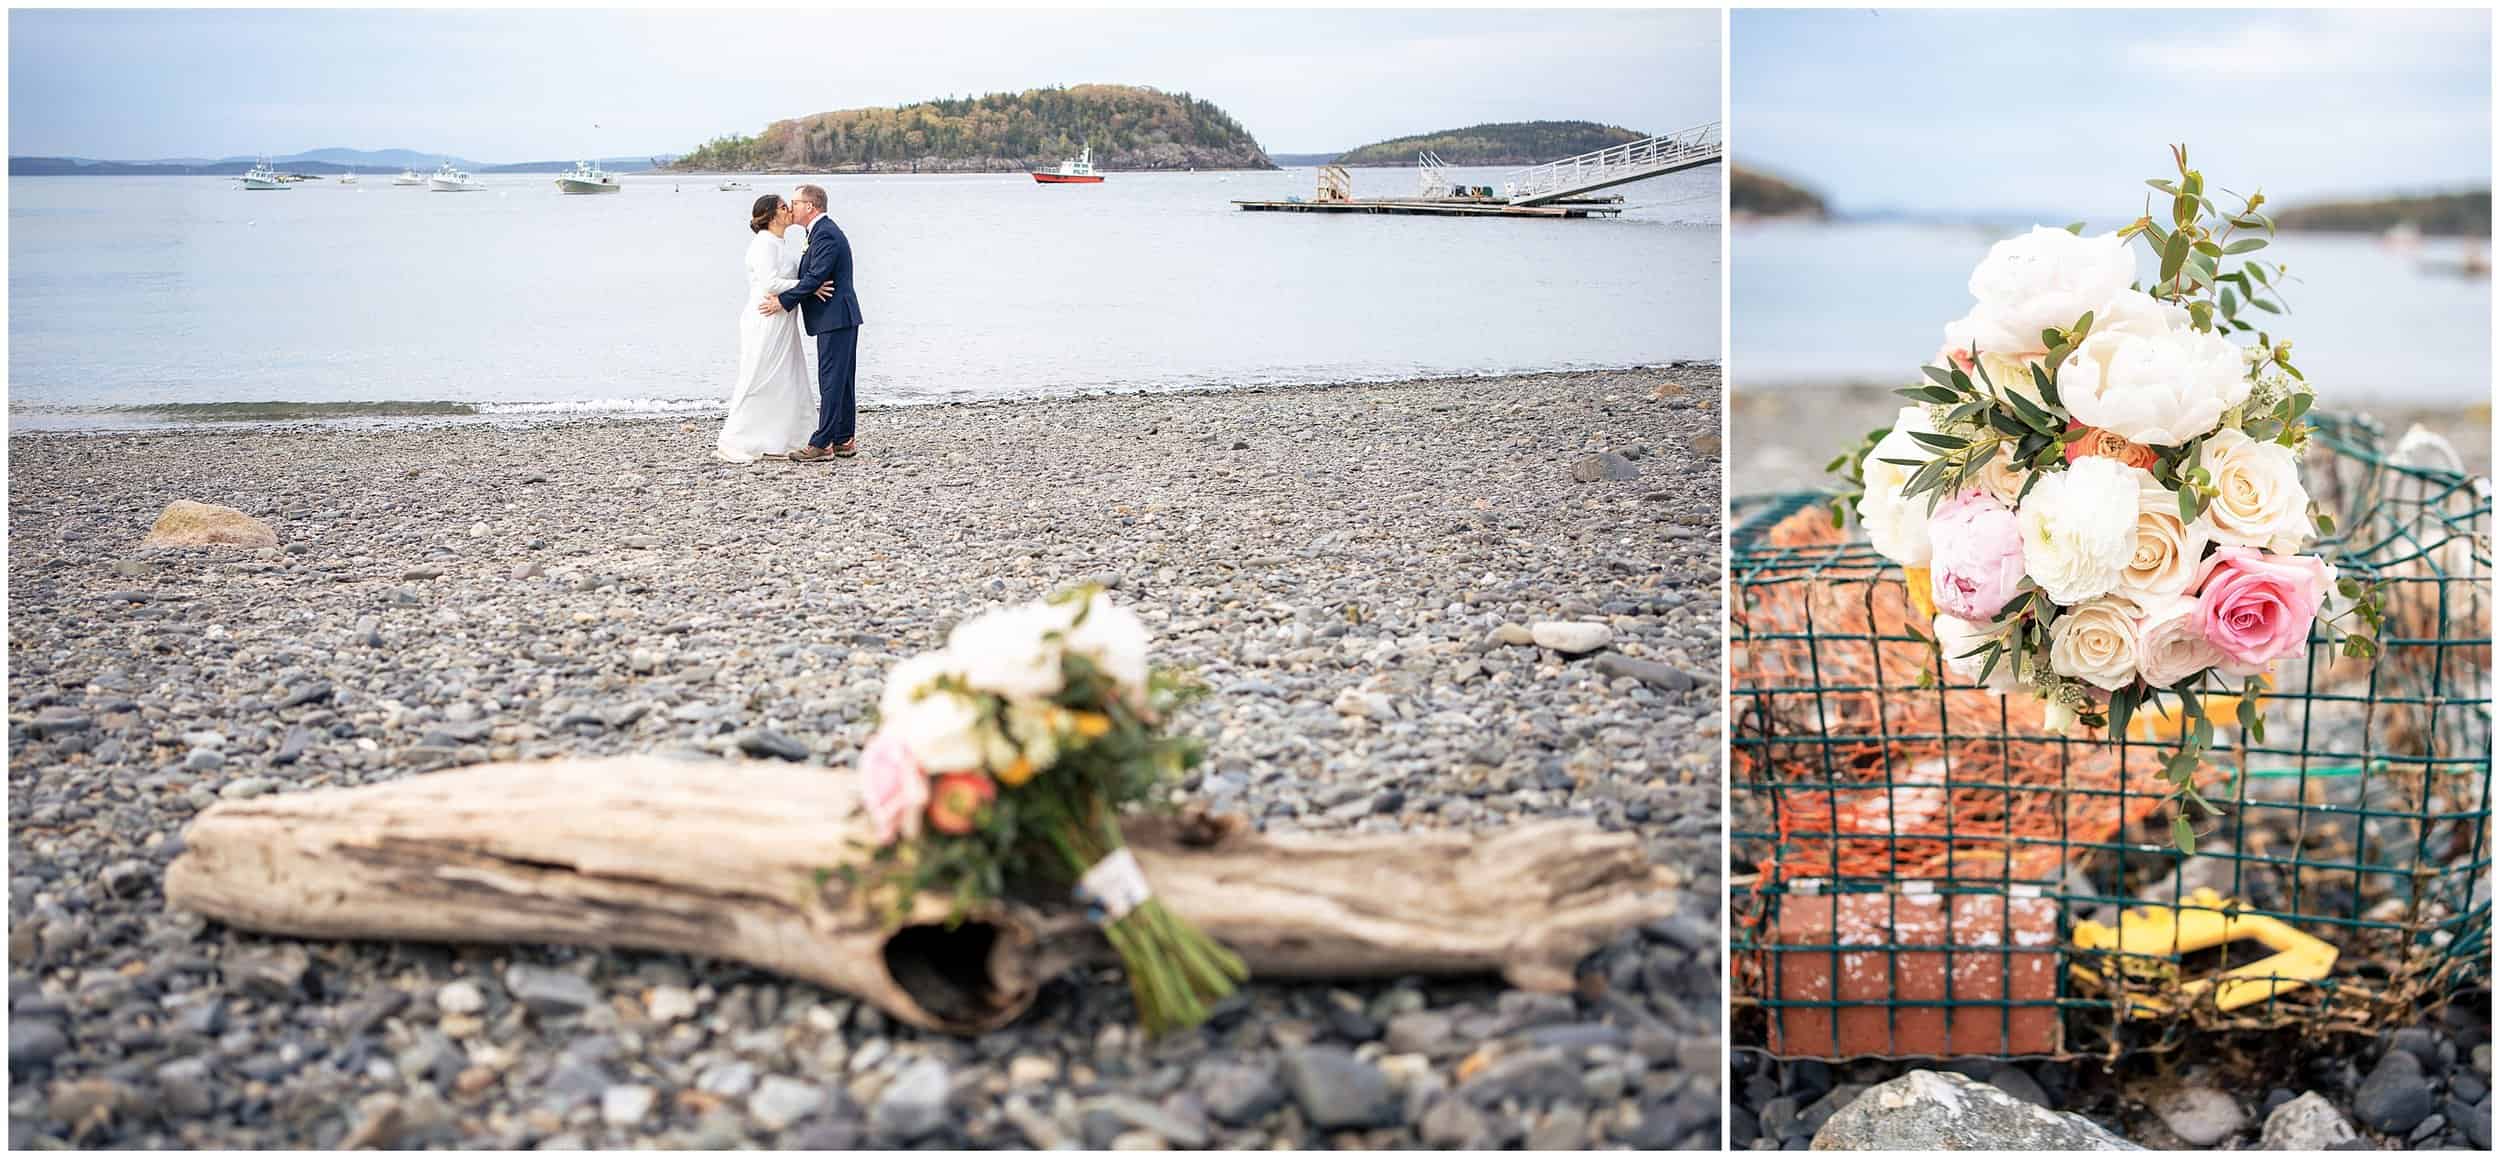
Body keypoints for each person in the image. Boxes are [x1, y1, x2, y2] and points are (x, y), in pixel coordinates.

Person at [716, 194, 833, 463]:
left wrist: (802, 286)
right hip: (766, 318)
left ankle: (787, 436)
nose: (789, 209)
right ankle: (741, 437)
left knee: (787, 376)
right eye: (783, 207)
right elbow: (769, 283)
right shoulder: (764, 244)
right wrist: (809, 286)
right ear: (771, 217)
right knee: (761, 375)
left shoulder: (778, 243)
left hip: (782, 317)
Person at [761, 184, 864, 461]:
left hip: (836, 317)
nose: (790, 208)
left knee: (831, 380)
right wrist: (810, 286)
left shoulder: (826, 234)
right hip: (837, 316)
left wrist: (782, 302)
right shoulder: (817, 232)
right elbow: (814, 277)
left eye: (794, 203)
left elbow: (816, 276)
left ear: (810, 206)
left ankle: (822, 443)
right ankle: (843, 438)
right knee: (839, 380)